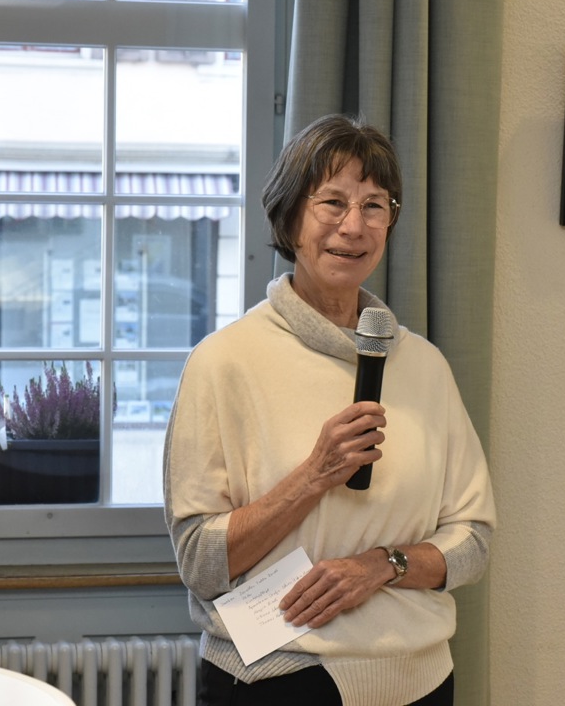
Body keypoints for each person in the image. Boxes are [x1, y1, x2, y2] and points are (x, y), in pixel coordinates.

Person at [163, 114, 496, 706]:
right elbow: (200, 563)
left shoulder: (423, 365)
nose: (353, 226)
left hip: (421, 681)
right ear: (290, 217)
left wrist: (381, 565)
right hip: (280, 682)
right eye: (332, 202)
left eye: (374, 205)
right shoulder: (223, 362)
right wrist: (315, 473)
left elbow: (472, 542)